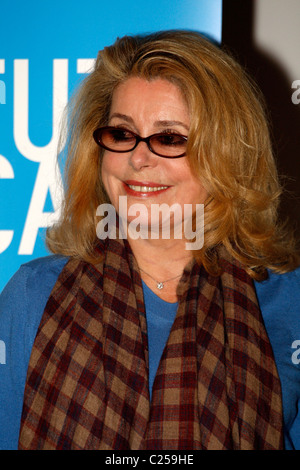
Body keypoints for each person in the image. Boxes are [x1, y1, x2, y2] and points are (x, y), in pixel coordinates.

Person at [0, 30, 299, 451]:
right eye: (122, 134)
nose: (138, 159)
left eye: (170, 138)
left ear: (227, 155)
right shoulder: (32, 294)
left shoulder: (289, 301)